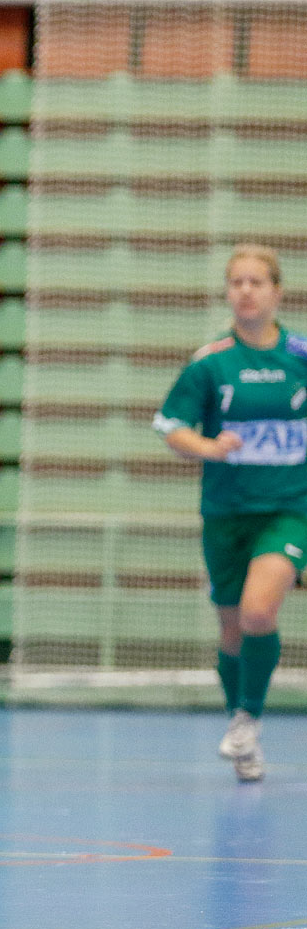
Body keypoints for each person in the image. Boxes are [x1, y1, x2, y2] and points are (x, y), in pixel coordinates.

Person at [154, 243, 306, 782]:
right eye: (237, 282)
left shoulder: (301, 357)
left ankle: (249, 716)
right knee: (232, 630)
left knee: (258, 610)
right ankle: (244, 727)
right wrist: (208, 446)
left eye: (256, 282)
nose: (246, 290)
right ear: (228, 291)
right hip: (225, 514)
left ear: (276, 292)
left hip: (289, 511)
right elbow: (170, 427)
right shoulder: (211, 362)